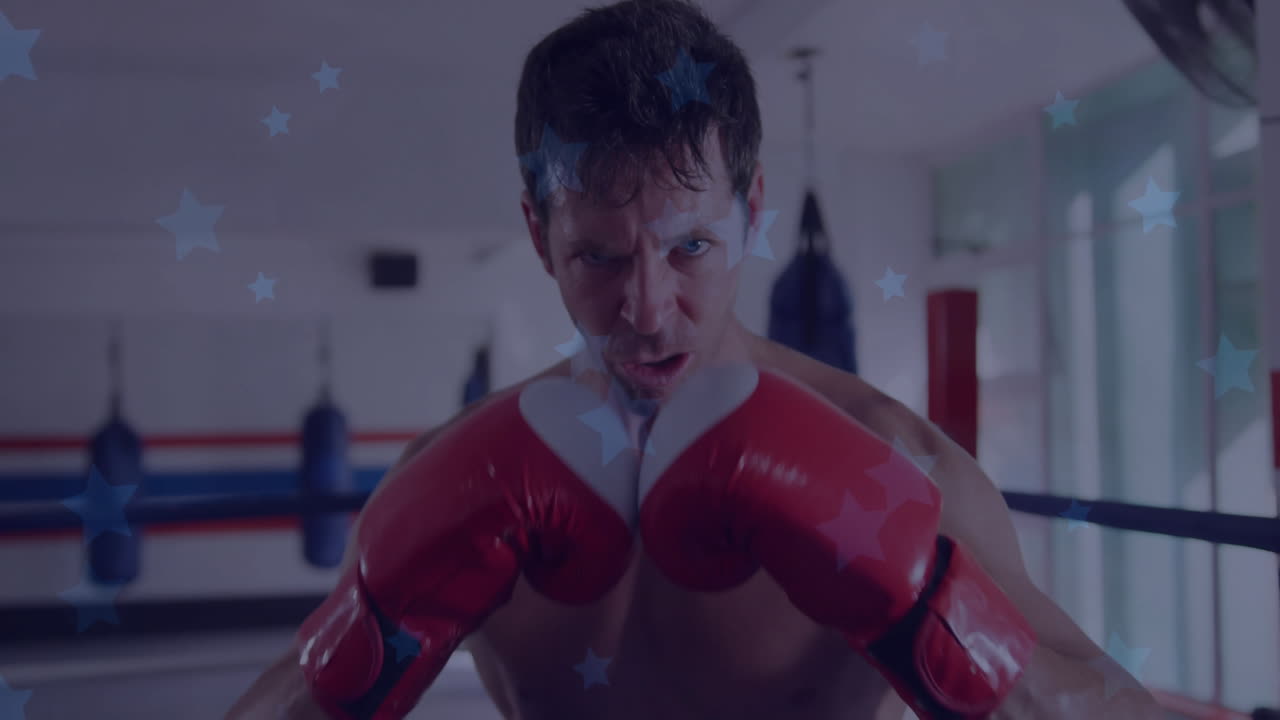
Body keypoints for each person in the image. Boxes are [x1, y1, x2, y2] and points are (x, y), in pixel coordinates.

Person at [227, 1, 1166, 718]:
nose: (646, 312)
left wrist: (931, 604)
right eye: (599, 257)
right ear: (540, 234)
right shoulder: (447, 474)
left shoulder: (896, 463)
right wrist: (369, 637)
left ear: (751, 213)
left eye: (690, 248)